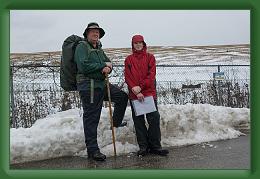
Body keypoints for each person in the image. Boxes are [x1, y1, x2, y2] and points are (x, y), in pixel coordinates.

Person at [74, 22, 128, 161]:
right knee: (92, 118)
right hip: (89, 87)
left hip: (101, 84)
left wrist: (108, 67)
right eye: (92, 31)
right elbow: (83, 66)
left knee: (122, 97)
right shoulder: (81, 47)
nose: (95, 33)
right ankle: (92, 150)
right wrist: (103, 65)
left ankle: (115, 124)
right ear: (87, 33)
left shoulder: (98, 48)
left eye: (97, 32)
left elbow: (109, 63)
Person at [124, 35, 169, 157]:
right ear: (132, 45)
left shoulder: (150, 57)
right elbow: (128, 76)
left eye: (140, 42)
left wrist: (141, 87)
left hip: (149, 94)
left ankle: (155, 146)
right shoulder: (128, 60)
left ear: (144, 44)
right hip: (135, 95)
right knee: (139, 122)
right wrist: (135, 90)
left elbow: (151, 75)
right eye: (135, 43)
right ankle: (143, 147)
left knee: (153, 119)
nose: (138, 45)